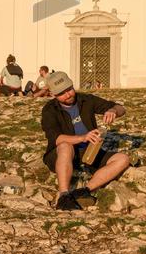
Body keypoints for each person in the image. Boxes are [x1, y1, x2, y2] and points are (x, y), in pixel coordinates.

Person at [41, 71, 131, 211]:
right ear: (53, 94)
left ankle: (84, 191)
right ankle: (64, 196)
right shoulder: (49, 110)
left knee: (123, 159)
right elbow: (56, 138)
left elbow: (121, 108)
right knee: (65, 146)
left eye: (69, 89)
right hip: (61, 155)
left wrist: (113, 111)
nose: (68, 95)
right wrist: (82, 137)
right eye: (62, 93)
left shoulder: (85, 100)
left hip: (89, 151)